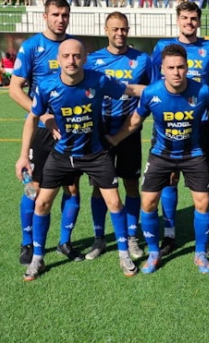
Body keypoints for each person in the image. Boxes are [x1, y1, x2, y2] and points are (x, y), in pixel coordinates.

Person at [15, 39, 146, 281]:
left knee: (115, 203)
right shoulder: (46, 86)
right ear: (59, 60)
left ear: (84, 58)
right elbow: (32, 119)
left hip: (95, 154)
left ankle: (123, 253)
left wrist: (162, 89)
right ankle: (37, 258)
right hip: (62, 154)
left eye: (76, 56)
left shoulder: (98, 80)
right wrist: (23, 155)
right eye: (66, 56)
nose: (71, 60)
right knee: (42, 203)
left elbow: (128, 90)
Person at [107, 44, 209, 274]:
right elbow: (135, 121)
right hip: (160, 155)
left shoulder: (203, 91)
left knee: (203, 202)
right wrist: (113, 140)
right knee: (148, 203)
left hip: (193, 154)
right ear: (162, 69)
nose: (176, 72)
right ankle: (154, 252)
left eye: (180, 67)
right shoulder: (151, 93)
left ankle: (200, 253)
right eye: (171, 68)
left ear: (187, 67)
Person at [9, 0, 83, 266]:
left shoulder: (73, 47)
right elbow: (15, 89)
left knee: (72, 188)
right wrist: (44, 114)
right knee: (34, 188)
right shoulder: (31, 47)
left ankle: (65, 242)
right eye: (55, 14)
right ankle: (27, 242)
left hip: (71, 132)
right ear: (45, 16)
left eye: (64, 14)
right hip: (41, 131)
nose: (60, 19)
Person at [84, 12, 157, 261]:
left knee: (130, 184)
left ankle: (132, 237)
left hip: (129, 131)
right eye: (115, 29)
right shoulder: (92, 61)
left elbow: (153, 92)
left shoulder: (143, 60)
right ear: (106, 30)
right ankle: (99, 238)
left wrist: (140, 117)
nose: (120, 33)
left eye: (124, 29)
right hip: (100, 131)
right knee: (99, 188)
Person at [150, 1, 209, 257]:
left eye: (193, 18)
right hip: (168, 124)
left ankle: (205, 237)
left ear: (198, 21)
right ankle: (169, 233)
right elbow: (153, 80)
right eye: (185, 18)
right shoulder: (162, 48)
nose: (189, 22)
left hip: (200, 125)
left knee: (202, 182)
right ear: (177, 20)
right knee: (169, 179)